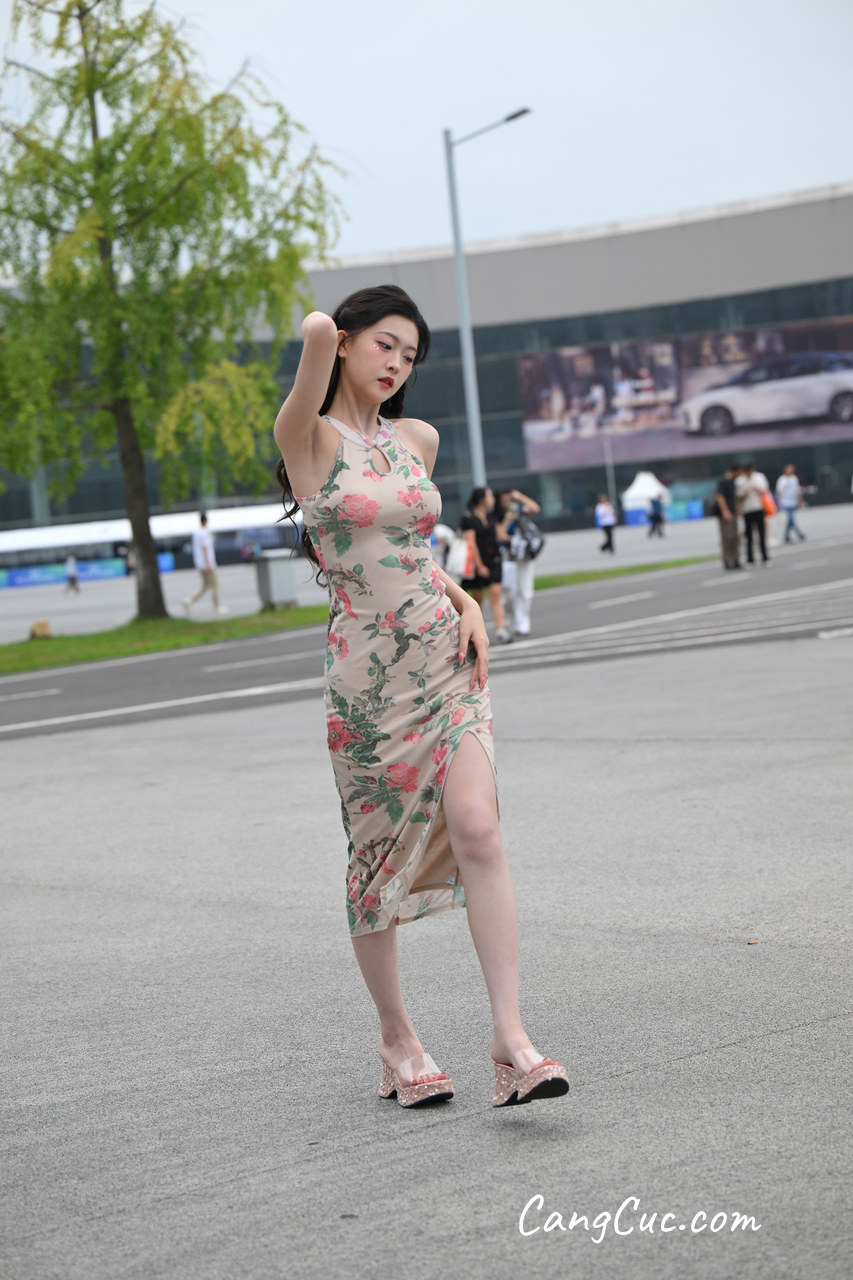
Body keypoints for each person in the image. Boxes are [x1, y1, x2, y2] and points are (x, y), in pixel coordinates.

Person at [272, 284, 568, 1110]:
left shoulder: (417, 439)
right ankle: (397, 1040)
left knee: (479, 828)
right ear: (346, 344)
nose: (397, 364)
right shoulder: (306, 437)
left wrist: (467, 601)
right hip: (367, 687)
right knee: (374, 864)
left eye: (410, 355)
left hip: (445, 662)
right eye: (385, 345)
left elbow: (406, 550)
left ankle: (511, 1041)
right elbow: (313, 332)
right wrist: (329, 335)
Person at [459, 488, 513, 644]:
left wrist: (508, 521)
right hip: (477, 562)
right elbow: (470, 543)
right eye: (489, 496)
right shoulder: (468, 519)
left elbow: (501, 535)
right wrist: (479, 565)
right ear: (481, 499)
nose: (492, 499)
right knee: (477, 598)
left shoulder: (491, 517)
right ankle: (476, 632)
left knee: (496, 594)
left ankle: (501, 629)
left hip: (494, 559)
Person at [496, 488, 543, 636]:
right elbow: (500, 535)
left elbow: (535, 508)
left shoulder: (519, 511)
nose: (506, 504)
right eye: (503, 501)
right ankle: (515, 619)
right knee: (509, 591)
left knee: (525, 590)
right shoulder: (498, 516)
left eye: (509, 500)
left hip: (524, 555)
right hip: (508, 557)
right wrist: (507, 521)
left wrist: (520, 496)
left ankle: (523, 621)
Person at [182, 513, 229, 614]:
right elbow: (205, 548)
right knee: (215, 585)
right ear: (205, 521)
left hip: (199, 563)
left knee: (205, 585)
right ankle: (216, 606)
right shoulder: (204, 533)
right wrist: (208, 563)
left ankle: (189, 600)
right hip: (207, 563)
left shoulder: (196, 533)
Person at [735, 464, 771, 566]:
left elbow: (765, 491)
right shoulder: (739, 481)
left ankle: (765, 557)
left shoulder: (759, 477)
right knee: (749, 535)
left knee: (761, 533)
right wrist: (747, 492)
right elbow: (738, 497)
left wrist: (757, 489)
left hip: (758, 507)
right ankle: (750, 559)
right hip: (747, 510)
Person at [714, 466, 741, 569]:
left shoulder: (733, 482)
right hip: (726, 513)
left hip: (733, 512)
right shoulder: (723, 481)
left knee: (734, 537)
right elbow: (720, 496)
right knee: (727, 537)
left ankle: (735, 559)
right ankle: (727, 559)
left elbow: (735, 497)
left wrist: (737, 509)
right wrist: (725, 511)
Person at [775, 464, 806, 543]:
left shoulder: (794, 478)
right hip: (785, 502)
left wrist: (800, 501)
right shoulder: (781, 479)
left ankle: (786, 536)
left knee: (789, 520)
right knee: (791, 518)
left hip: (793, 502)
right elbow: (779, 492)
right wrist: (779, 504)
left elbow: (797, 490)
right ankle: (799, 533)